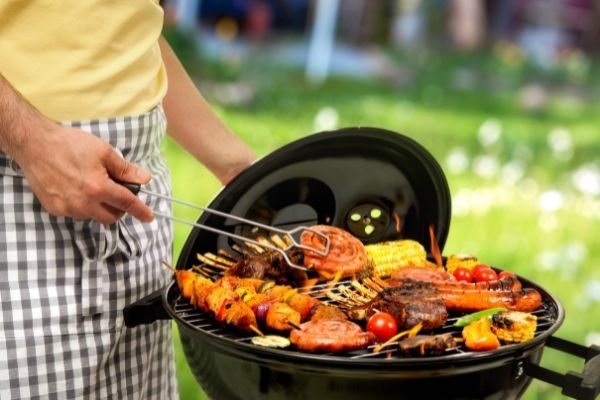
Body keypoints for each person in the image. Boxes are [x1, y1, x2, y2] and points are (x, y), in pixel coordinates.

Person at [0, 1, 255, 399]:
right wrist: (32, 141)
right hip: (21, 200)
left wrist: (237, 167)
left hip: (140, 220)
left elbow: (129, 30)